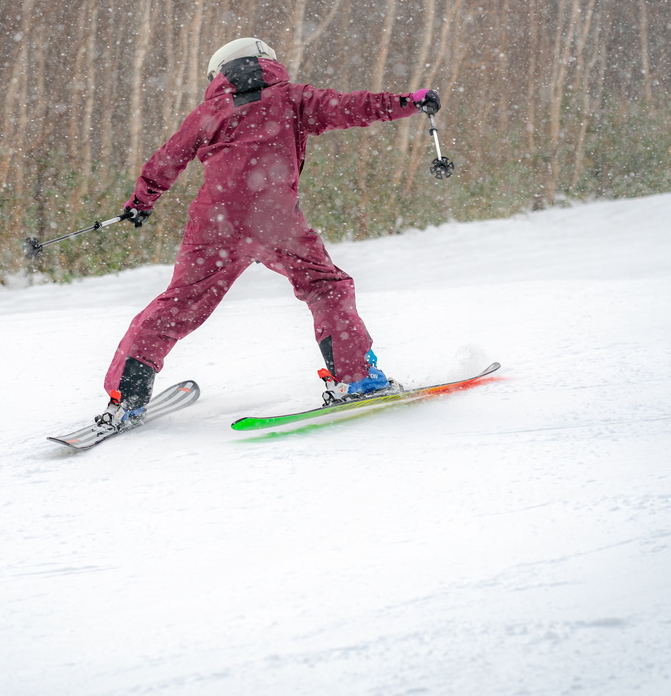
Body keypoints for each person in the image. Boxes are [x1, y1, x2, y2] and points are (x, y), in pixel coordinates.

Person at [100, 37, 441, 427]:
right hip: (275, 220)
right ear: (269, 63)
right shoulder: (295, 99)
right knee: (326, 288)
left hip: (215, 222)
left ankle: (125, 395)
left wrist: (141, 203)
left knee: (180, 303)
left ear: (220, 73)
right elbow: (353, 107)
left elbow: (167, 159)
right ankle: (356, 380)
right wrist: (410, 102)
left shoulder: (208, 112)